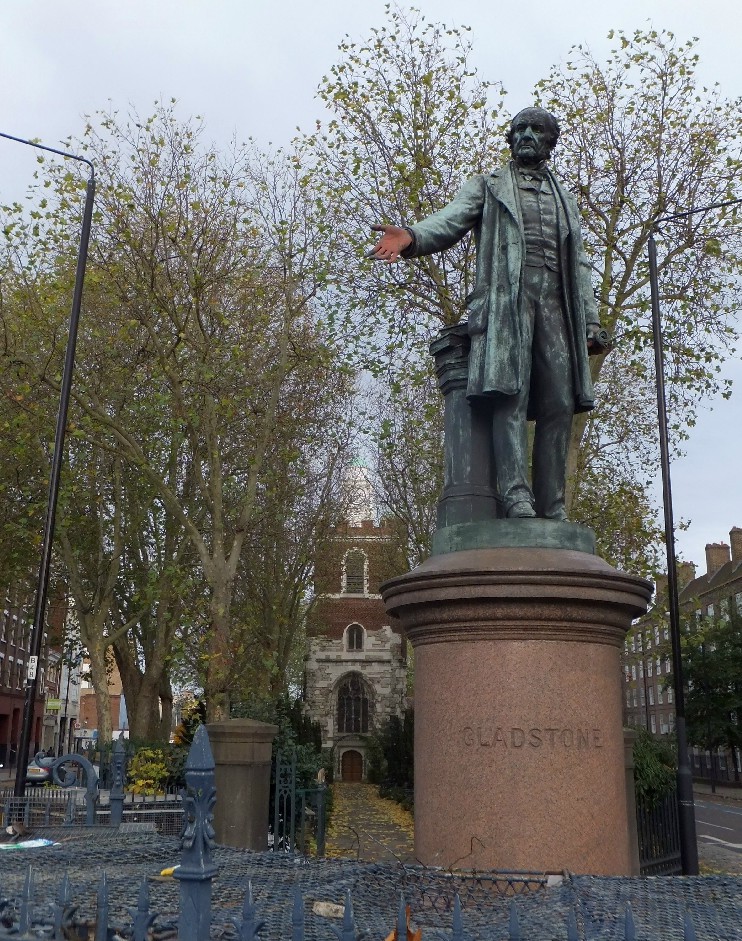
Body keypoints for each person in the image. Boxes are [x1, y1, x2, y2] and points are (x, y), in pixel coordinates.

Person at [370, 107, 603, 521]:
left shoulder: (565, 199)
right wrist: (412, 236)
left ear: (551, 141)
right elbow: (452, 220)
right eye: (520, 129)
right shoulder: (488, 185)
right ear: (511, 138)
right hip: (507, 301)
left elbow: (579, 262)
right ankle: (516, 496)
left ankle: (553, 505)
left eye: (537, 130)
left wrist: (590, 320)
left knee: (559, 401)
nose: (527, 135)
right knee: (510, 394)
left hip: (556, 302)